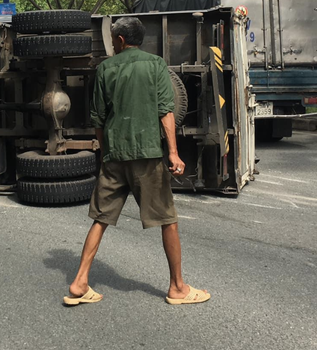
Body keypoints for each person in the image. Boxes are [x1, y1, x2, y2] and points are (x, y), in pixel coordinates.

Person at [63, 17, 210, 306]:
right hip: (147, 155)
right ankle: (178, 288)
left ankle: (80, 282)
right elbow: (166, 111)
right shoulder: (155, 65)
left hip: (115, 155)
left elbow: (98, 119)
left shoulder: (105, 68)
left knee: (100, 219)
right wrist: (173, 152)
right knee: (167, 219)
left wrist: (106, 153)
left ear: (119, 41)